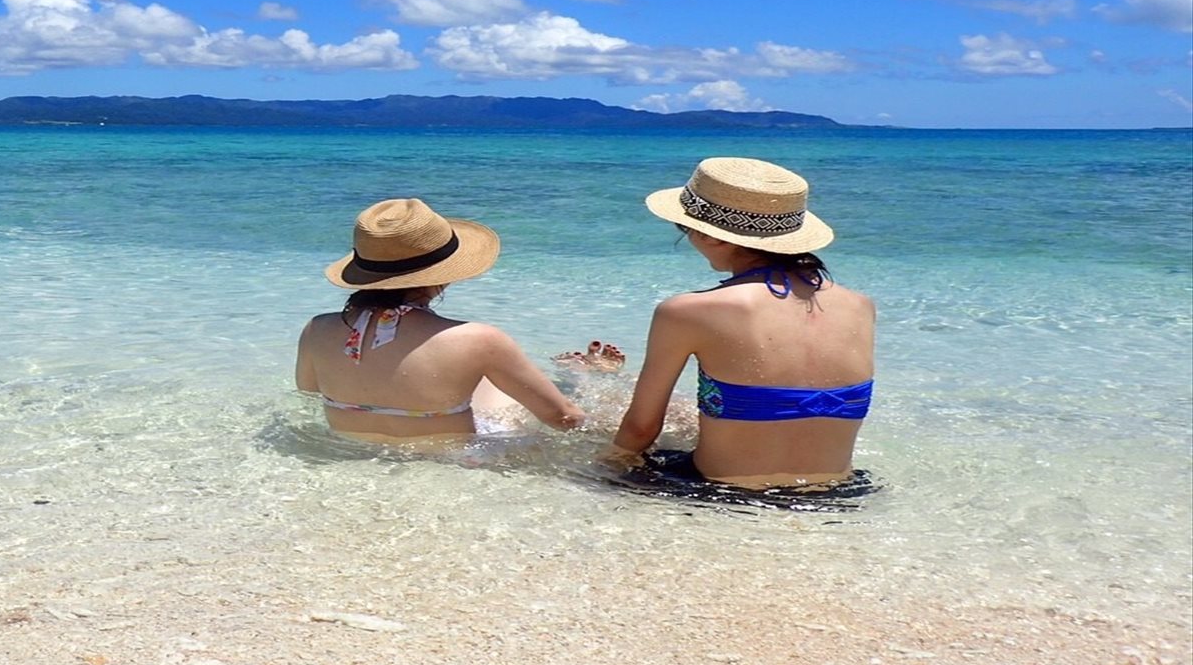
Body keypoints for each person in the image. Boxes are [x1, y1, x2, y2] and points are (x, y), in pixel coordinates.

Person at [605, 157, 875, 490]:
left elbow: (642, 429)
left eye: (685, 228)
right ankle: (604, 378)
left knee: (602, 427)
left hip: (720, 493)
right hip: (840, 492)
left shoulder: (687, 311)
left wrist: (603, 470)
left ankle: (596, 380)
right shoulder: (861, 306)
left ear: (714, 237)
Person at [296, 197, 584, 441]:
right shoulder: (479, 340)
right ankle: (581, 376)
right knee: (540, 395)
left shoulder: (316, 330)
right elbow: (563, 419)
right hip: (459, 461)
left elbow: (309, 397)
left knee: (480, 377)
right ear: (444, 274)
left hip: (356, 451)